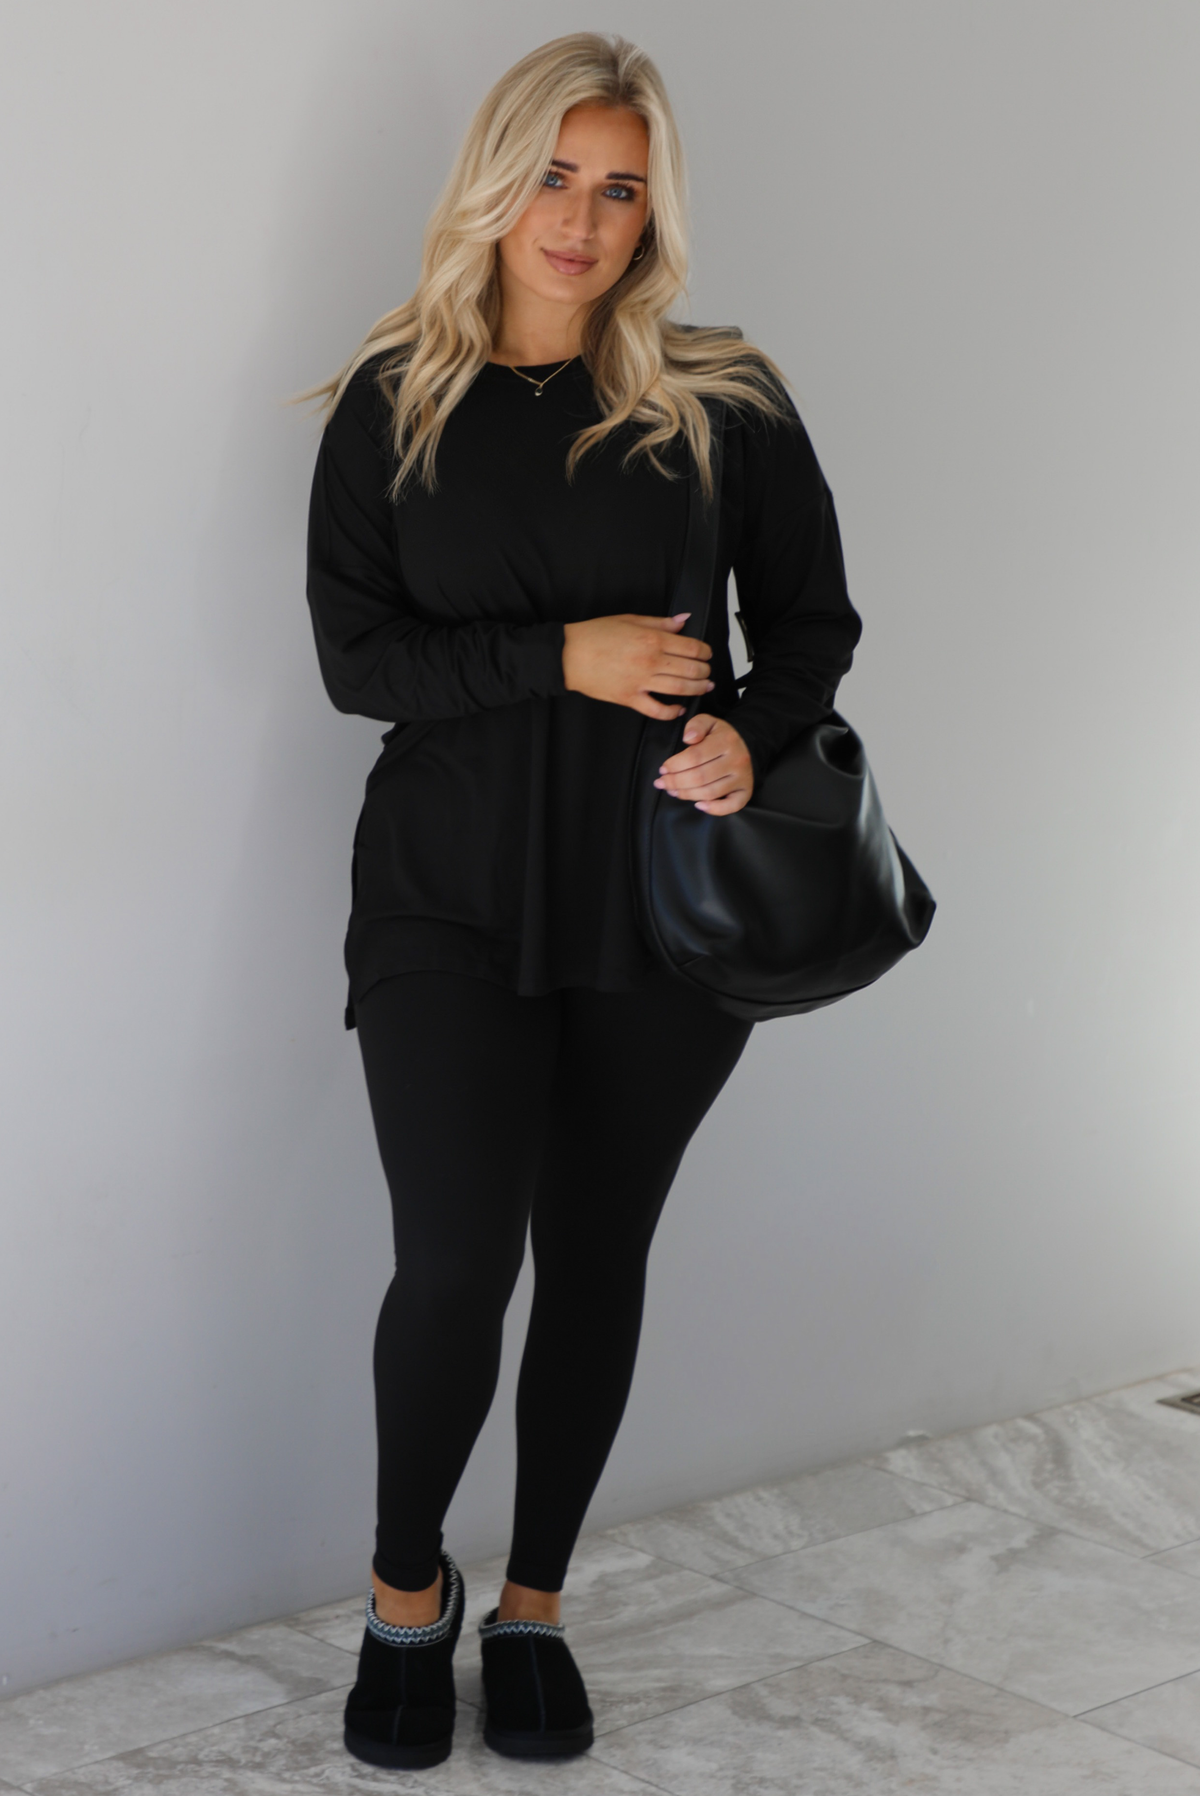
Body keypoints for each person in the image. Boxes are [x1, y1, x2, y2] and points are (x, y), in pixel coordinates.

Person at [304, 29, 861, 1772]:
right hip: (445, 895)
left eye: (622, 186)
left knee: (597, 1255)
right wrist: (569, 654)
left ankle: (535, 1603)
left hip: (659, 905)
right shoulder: (393, 398)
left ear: (653, 210)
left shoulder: (724, 397)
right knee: (455, 1263)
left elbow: (816, 630)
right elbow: (358, 660)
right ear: (496, 177)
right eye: (556, 173)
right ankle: (409, 1598)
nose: (585, 216)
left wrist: (745, 748)